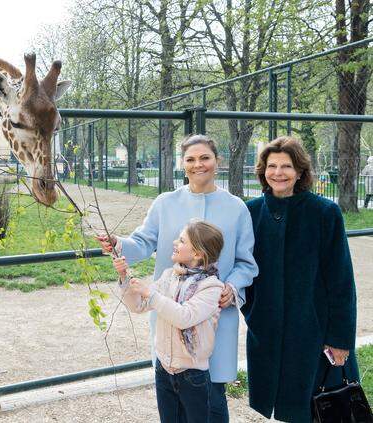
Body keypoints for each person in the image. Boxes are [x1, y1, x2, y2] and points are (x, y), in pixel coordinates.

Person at [97, 134, 258, 422]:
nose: (199, 165)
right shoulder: (164, 203)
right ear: (182, 164)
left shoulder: (237, 208)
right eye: (191, 159)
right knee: (172, 390)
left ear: (217, 161)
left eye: (205, 158)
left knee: (212, 393)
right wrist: (118, 243)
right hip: (171, 310)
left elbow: (247, 263)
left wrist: (232, 288)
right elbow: (143, 242)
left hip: (215, 313)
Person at [243, 136, 359, 422]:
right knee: (282, 405)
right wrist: (253, 313)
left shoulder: (324, 213)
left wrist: (340, 339)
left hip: (314, 330)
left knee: (318, 407)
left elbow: (341, 280)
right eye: (272, 166)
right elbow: (242, 268)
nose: (278, 173)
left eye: (286, 166)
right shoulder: (251, 212)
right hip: (267, 328)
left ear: (300, 172)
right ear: (262, 170)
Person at [113, 220, 225, 423]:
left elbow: (184, 317)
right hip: (163, 370)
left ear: (198, 254)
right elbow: (138, 306)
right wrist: (124, 279)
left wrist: (150, 294)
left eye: (181, 240)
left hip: (193, 375)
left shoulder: (211, 287)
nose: (174, 242)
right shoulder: (169, 276)